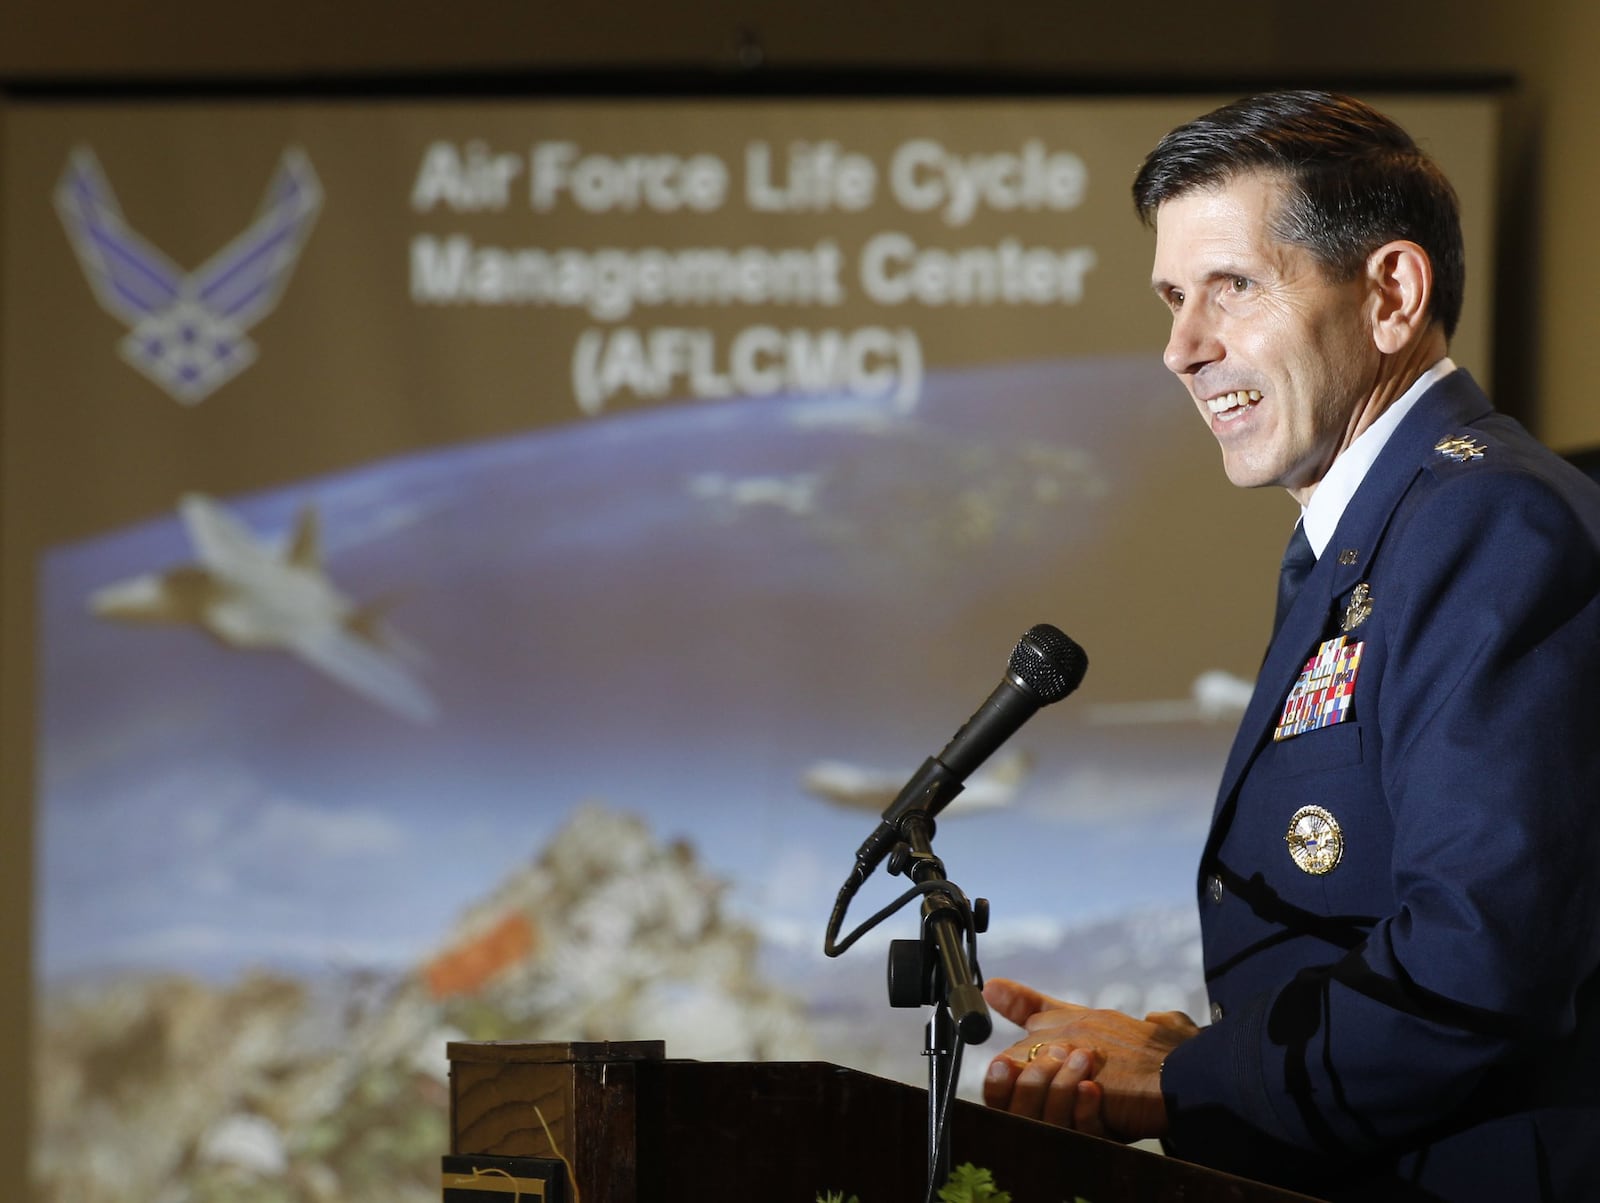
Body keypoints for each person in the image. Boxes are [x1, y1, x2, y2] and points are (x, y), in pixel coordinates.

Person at [981, 90, 1600, 1202]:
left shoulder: (1488, 522)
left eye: (1232, 288)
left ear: (1392, 295)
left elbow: (1479, 958)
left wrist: (1185, 1083)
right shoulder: (1374, 536)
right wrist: (1181, 1054)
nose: (1180, 348)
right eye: (1172, 297)